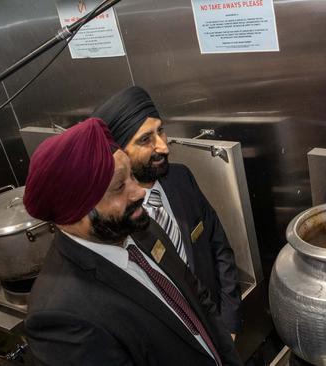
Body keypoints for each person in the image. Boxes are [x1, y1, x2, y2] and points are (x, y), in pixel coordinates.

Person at [22, 118, 242, 366]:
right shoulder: (60, 321)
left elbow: (195, 295)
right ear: (75, 213)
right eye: (119, 186)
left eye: (132, 177)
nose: (139, 192)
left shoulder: (136, 225)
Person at [92, 87, 242, 338]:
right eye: (145, 139)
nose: (162, 146)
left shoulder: (181, 178)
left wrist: (229, 321)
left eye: (160, 131)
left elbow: (219, 247)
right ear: (118, 152)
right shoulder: (117, 217)